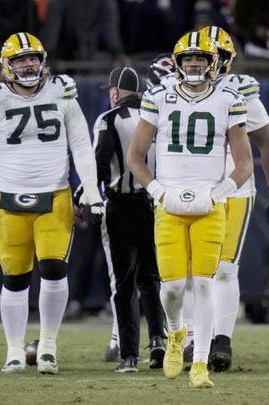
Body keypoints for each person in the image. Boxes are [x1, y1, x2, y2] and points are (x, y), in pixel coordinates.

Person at [0, 32, 104, 375]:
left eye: (33, 58)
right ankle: (13, 351)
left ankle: (48, 346)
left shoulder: (62, 92)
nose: (28, 64)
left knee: (54, 271)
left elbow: (82, 145)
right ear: (6, 65)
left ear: (43, 60)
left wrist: (91, 190)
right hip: (8, 197)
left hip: (54, 194)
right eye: (20, 59)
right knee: (15, 279)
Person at [127, 31, 253, 388]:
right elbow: (135, 156)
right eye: (187, 59)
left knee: (204, 283)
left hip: (210, 204)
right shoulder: (159, 95)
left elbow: (244, 165)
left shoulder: (229, 97)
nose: (194, 65)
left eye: (200, 59)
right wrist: (157, 192)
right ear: (178, 63)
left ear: (212, 63)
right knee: (171, 289)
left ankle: (200, 365)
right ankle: (175, 332)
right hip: (169, 203)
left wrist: (219, 194)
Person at [199, 25, 269, 372]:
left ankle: (221, 340)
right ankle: (192, 338)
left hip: (233, 187)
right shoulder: (170, 92)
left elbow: (267, 144)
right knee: (191, 270)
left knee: (223, 268)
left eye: (211, 57)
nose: (203, 65)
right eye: (198, 57)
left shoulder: (240, 90)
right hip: (186, 186)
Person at [88, 66, 166, 373]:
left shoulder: (109, 119)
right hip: (154, 204)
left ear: (115, 92)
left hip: (120, 206)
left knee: (123, 284)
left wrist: (88, 197)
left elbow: (99, 164)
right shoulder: (156, 117)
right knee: (151, 279)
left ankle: (129, 355)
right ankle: (159, 341)